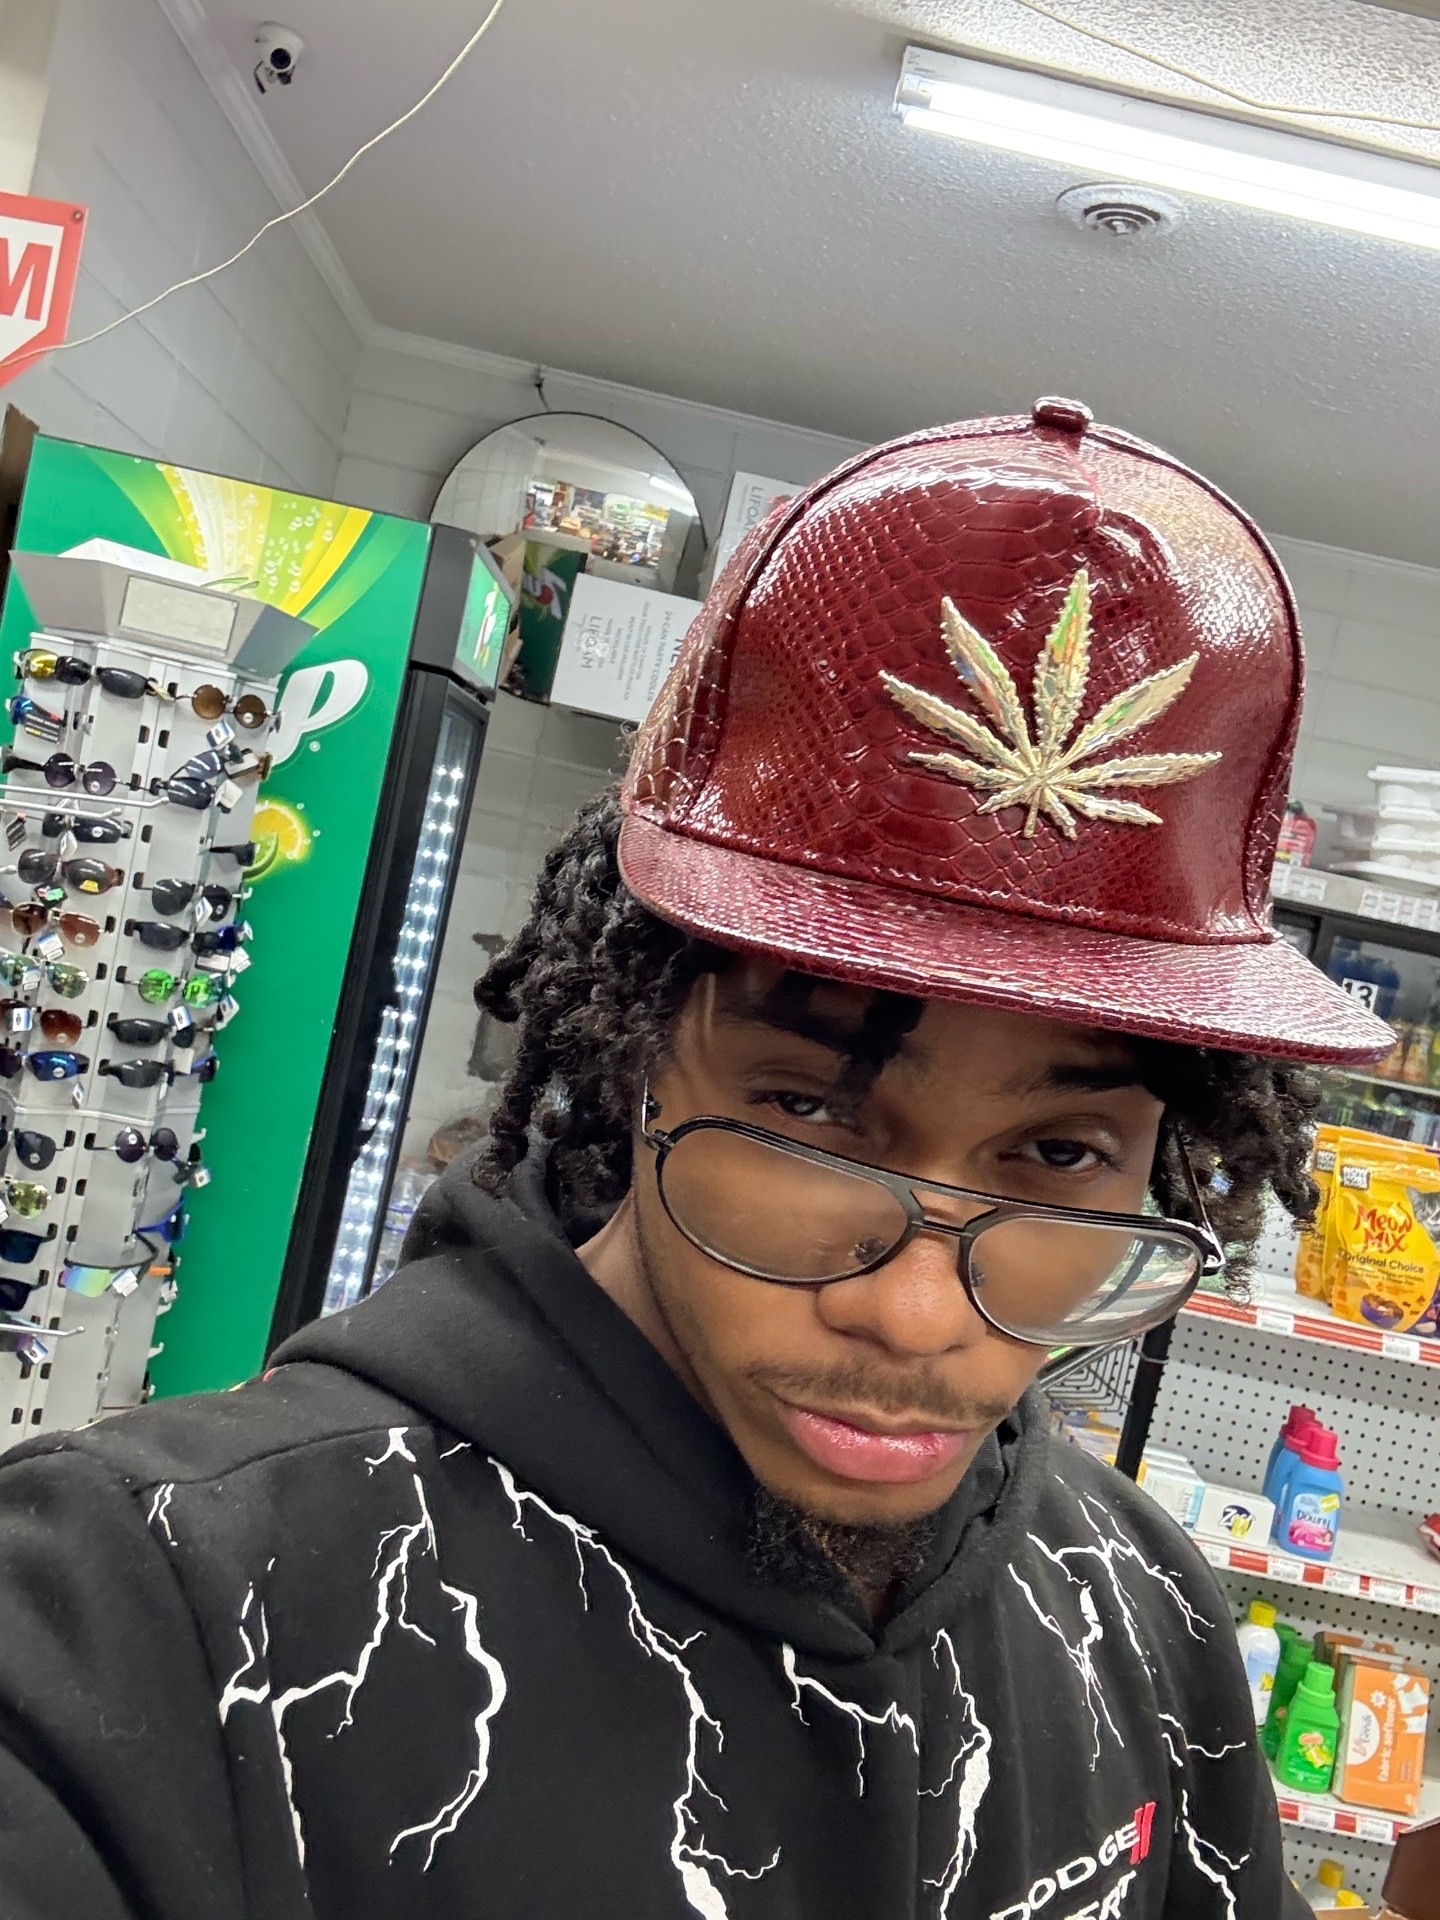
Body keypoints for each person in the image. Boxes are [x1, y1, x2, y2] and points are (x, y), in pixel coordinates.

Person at [0, 400, 1389, 1920]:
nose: (917, 1315)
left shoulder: (1146, 1618)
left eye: (1060, 1149)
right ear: (636, 1060)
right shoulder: (141, 1609)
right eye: (811, 1114)